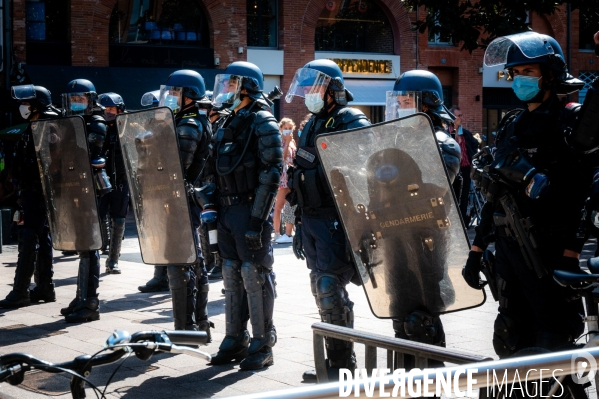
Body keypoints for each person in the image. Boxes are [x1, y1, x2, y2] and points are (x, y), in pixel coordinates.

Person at [463, 31, 592, 357]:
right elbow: (495, 193)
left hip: (548, 253)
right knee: (508, 339)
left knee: (552, 346)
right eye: (515, 73)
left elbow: (583, 194)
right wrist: (476, 250)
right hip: (508, 252)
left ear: (550, 75)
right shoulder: (512, 125)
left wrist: (572, 254)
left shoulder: (570, 122)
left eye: (528, 73)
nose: (520, 80)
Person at [285, 59, 370, 381]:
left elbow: (360, 170)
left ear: (332, 89)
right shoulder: (309, 123)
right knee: (320, 288)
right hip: (312, 220)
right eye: (305, 88)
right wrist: (295, 223)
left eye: (314, 87)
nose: (308, 93)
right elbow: (296, 182)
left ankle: (342, 366)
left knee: (329, 287)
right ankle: (337, 359)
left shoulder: (351, 119)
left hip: (338, 220)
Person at [384, 69, 461, 366]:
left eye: (406, 100)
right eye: (399, 100)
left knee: (423, 320)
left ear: (426, 104)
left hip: (427, 245)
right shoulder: (395, 141)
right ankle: (404, 381)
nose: (400, 105)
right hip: (395, 240)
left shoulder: (443, 144)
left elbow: (429, 196)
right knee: (400, 317)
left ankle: (429, 386)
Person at [209, 61, 282, 370]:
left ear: (246, 88)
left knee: (254, 274)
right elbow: (213, 168)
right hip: (226, 209)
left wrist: (257, 219)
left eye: (230, 84)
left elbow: (272, 173)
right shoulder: (226, 122)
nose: (224, 90)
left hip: (249, 209)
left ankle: (262, 342)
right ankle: (234, 337)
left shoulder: (263, 121)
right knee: (230, 273)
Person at [159, 70, 214, 335]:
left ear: (189, 96)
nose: (170, 97)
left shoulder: (188, 125)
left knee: (180, 262)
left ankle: (185, 328)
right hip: (185, 200)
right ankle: (197, 322)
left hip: (181, 201)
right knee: (194, 261)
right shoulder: (184, 119)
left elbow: (175, 166)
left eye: (175, 92)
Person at [0, 85, 59, 308]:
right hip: (31, 190)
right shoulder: (35, 125)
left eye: (26, 103)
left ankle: (21, 290)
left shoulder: (48, 127)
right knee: (41, 236)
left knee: (28, 236)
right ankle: (45, 287)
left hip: (39, 190)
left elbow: (50, 163)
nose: (22, 107)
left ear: (37, 105)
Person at [59, 79, 108, 322]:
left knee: (90, 246)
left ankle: (90, 302)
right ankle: (81, 296)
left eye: (80, 99)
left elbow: (83, 154)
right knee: (82, 246)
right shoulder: (73, 123)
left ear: (90, 100)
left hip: (90, 190)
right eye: (72, 99)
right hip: (76, 189)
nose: (75, 103)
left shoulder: (96, 123)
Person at [98, 93, 130, 274]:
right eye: (105, 109)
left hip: (121, 181)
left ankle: (113, 260)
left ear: (119, 109)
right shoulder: (98, 128)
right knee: (99, 216)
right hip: (100, 181)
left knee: (118, 219)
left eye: (111, 109)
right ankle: (100, 248)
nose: (107, 112)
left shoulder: (127, 128)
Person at [449, 105, 479, 225]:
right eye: (458, 116)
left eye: (461, 115)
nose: (461, 118)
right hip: (452, 169)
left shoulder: (465, 133)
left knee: (464, 196)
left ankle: (462, 222)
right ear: (452, 118)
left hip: (465, 168)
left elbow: (474, 145)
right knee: (453, 196)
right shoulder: (447, 133)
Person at [273, 117, 297, 244]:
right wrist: (287, 142)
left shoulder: (293, 142)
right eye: (285, 128)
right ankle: (277, 232)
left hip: (291, 176)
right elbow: (281, 157)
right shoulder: (279, 141)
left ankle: (289, 230)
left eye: (290, 129)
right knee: (279, 206)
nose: (287, 131)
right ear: (281, 129)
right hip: (283, 176)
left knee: (291, 204)